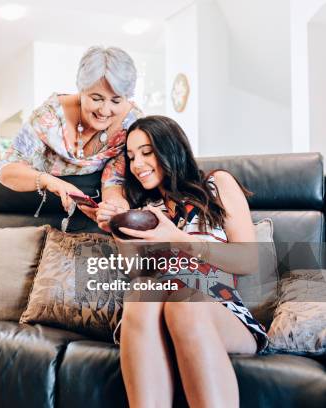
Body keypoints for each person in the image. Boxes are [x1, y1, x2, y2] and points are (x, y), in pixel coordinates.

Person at [109, 115, 268, 407]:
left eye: (146, 152)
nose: (137, 165)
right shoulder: (146, 210)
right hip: (158, 307)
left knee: (183, 302)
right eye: (131, 157)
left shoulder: (217, 184)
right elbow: (137, 273)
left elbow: (247, 259)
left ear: (171, 148)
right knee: (141, 295)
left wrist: (181, 241)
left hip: (218, 309)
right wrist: (119, 233)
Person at [0, 46, 142, 230]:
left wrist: (114, 208)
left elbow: (115, 179)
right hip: (43, 194)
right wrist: (51, 182)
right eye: (96, 98)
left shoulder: (131, 123)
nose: (105, 110)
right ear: (81, 90)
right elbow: (5, 171)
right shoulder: (49, 116)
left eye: (116, 101)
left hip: (92, 200)